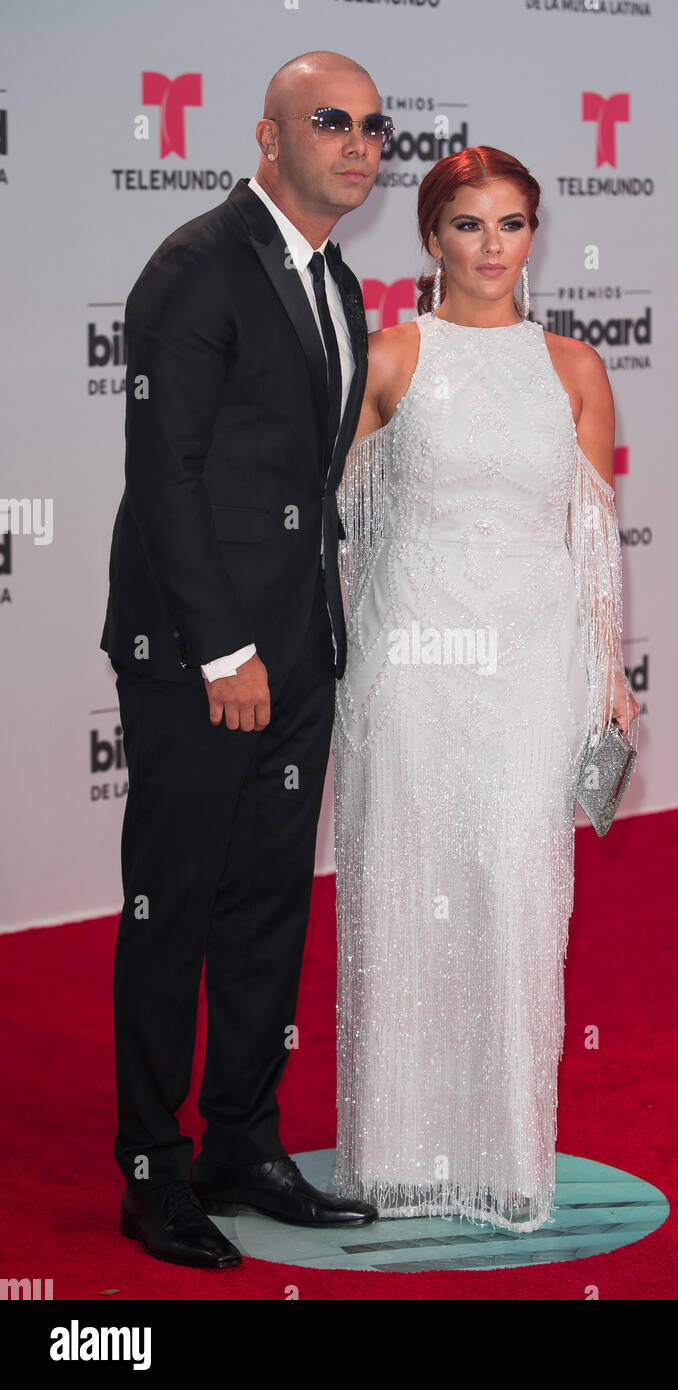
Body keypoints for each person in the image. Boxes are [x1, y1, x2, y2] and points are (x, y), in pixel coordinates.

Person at [100, 51, 390, 1268]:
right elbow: (164, 477)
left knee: (269, 909)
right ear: (268, 139)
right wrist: (224, 651)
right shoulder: (196, 266)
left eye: (376, 127)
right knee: (174, 911)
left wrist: (305, 640)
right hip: (196, 655)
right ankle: (155, 1170)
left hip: (295, 652)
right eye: (332, 122)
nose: (361, 143)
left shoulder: (336, 279)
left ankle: (241, 1140)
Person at [333, 147, 639, 1232]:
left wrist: (609, 667)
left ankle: (507, 1158)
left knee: (515, 898)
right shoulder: (389, 358)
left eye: (512, 224)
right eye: (469, 225)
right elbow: (343, 528)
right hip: (410, 666)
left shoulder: (573, 369)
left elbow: (591, 530)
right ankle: (399, 1155)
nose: (493, 246)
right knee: (404, 897)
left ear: (533, 234)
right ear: (431, 239)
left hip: (530, 668)